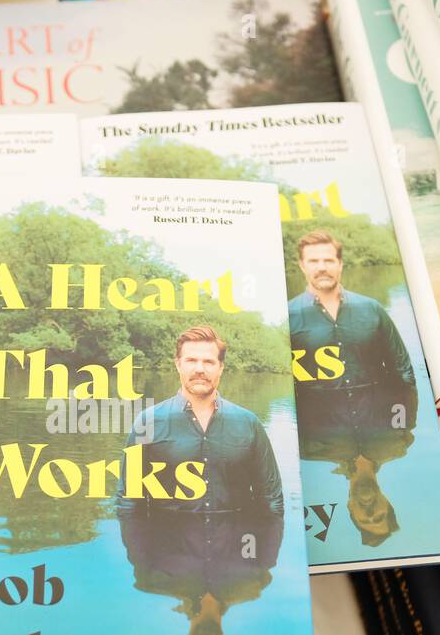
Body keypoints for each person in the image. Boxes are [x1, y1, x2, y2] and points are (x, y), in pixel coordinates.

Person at [287, 229, 417, 547]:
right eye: (314, 261)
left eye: (328, 260)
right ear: (302, 265)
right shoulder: (287, 317)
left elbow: (404, 372)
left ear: (340, 264)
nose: (370, 509)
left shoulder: (372, 310)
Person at [116, 325, 284, 518]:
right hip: (168, 544)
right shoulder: (148, 422)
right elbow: (128, 502)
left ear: (221, 367)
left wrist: (266, 546)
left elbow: (272, 500)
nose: (199, 369)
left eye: (208, 362)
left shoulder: (249, 423)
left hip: (234, 545)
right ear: (178, 364)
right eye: (191, 360)